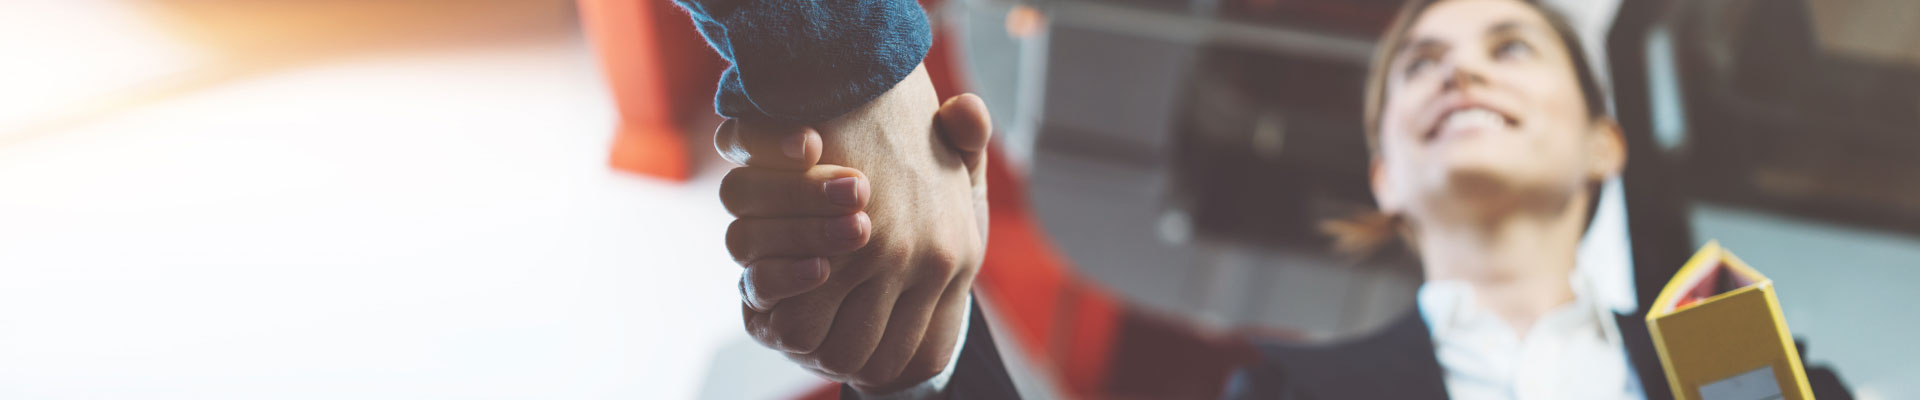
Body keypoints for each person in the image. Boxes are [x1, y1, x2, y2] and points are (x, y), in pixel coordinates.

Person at [713, 0, 1851, 399]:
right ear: (1383, 174)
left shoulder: (1768, 380)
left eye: (1512, 46)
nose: (1459, 71)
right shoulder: (1288, 391)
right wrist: (922, 355)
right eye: (1417, 65)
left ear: (1606, 140)